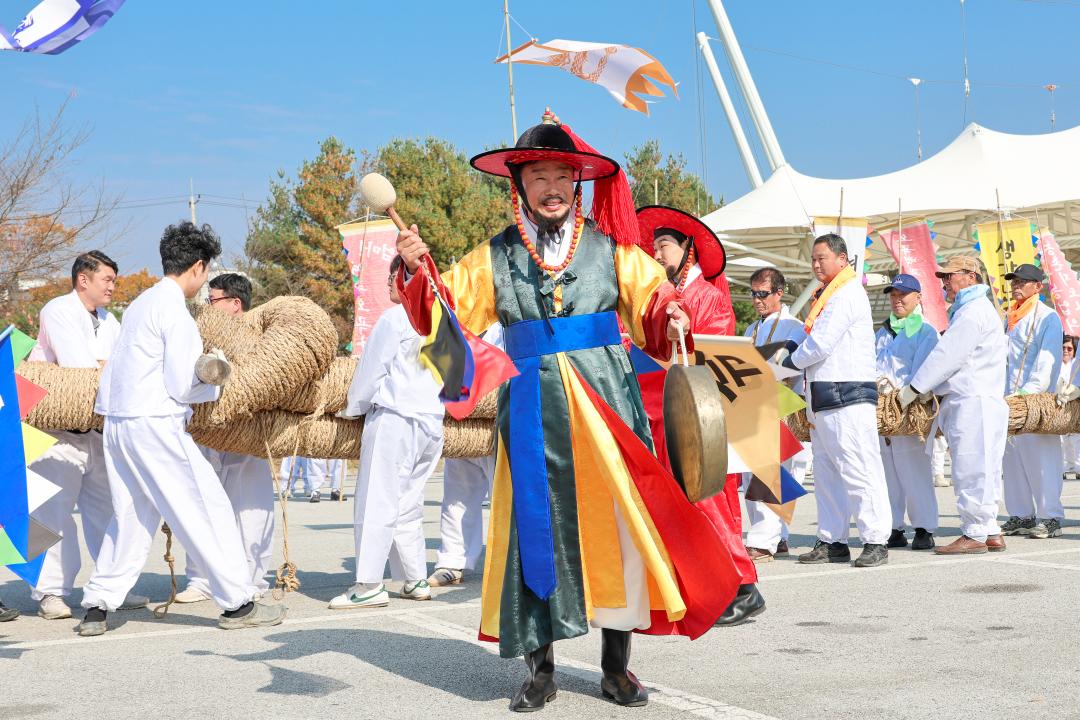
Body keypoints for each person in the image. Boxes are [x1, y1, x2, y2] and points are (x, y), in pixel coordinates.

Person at [395, 110, 739, 711]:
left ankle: (615, 667)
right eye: (539, 178)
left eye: (562, 176)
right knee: (536, 533)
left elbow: (653, 307)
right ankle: (540, 668)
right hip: (530, 408)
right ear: (519, 186)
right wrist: (414, 270)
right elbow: (444, 321)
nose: (551, 188)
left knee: (621, 531)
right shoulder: (491, 258)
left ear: (577, 182)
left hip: (608, 409)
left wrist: (672, 315)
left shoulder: (613, 251)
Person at [76, 222, 285, 636]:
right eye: (206, 272)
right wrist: (217, 374)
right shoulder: (175, 312)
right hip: (156, 424)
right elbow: (182, 384)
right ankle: (238, 603)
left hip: (119, 422)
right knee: (207, 507)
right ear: (198, 266)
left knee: (131, 515)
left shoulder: (139, 304)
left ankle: (97, 606)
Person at [634, 204, 763, 626]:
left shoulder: (707, 295)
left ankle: (743, 587)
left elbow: (715, 351)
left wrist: (683, 328)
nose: (657, 254)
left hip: (704, 414)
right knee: (689, 502)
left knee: (711, 500)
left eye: (665, 246)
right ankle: (709, 584)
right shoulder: (663, 294)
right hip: (672, 412)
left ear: (688, 247)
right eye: (654, 247)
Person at [27, 251, 148, 620]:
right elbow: (79, 369)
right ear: (83, 279)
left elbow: (124, 366)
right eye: (107, 280)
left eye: (113, 280)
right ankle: (49, 592)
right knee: (51, 512)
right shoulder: (58, 309)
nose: (112, 286)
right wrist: (108, 367)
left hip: (97, 428)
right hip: (56, 431)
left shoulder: (110, 319)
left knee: (108, 509)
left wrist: (107, 368)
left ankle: (108, 587)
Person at [331, 256, 445, 609]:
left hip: (396, 417)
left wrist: (350, 409)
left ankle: (367, 584)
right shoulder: (443, 320)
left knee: (376, 499)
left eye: (392, 276)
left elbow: (370, 374)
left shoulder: (395, 318)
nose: (389, 284)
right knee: (408, 502)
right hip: (431, 421)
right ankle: (414, 578)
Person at [781, 234, 892, 568]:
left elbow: (820, 344)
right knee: (827, 472)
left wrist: (785, 363)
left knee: (859, 468)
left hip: (848, 396)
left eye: (823, 258)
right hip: (824, 396)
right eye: (813, 259)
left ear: (843, 259)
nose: (817, 264)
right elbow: (812, 343)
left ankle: (876, 539)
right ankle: (832, 539)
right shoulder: (825, 295)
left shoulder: (846, 293)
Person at [175, 273, 276, 604]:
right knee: (200, 502)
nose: (207, 307)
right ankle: (201, 578)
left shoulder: (264, 338)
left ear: (235, 304)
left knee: (250, 506)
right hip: (207, 432)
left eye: (212, 300)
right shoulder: (200, 335)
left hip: (250, 436)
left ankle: (251, 578)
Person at [902, 255, 1008, 555]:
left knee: (970, 467)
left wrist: (915, 387)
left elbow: (948, 355)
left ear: (971, 276)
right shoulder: (978, 310)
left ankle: (974, 532)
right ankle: (989, 529)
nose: (944, 281)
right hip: (982, 399)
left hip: (972, 400)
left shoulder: (972, 312)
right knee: (985, 468)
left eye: (949, 276)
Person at [428, 324, 503, 588]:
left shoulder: (504, 324)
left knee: (506, 498)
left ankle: (510, 563)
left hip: (500, 423)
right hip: (460, 423)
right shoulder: (451, 322)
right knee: (456, 496)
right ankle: (452, 560)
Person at [742, 266, 807, 563]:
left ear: (780, 293)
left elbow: (793, 367)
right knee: (754, 473)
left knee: (772, 474)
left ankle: (762, 540)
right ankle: (777, 536)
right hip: (754, 405)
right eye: (753, 293)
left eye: (763, 294)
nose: (757, 299)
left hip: (783, 404)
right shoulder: (749, 330)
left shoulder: (795, 326)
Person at [874, 274, 940, 550]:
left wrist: (904, 393)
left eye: (903, 294)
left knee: (914, 469)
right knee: (886, 470)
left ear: (918, 297)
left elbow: (925, 369)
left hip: (910, 408)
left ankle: (924, 526)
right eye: (893, 295)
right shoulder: (882, 331)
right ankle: (893, 526)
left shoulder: (925, 331)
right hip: (882, 408)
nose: (897, 299)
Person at [999, 264, 1064, 539]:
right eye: (1014, 281)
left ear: (1038, 286)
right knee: (1011, 461)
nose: (1016, 285)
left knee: (1042, 461)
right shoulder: (1009, 318)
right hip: (1008, 398)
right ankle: (1022, 514)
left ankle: (1051, 517)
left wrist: (1028, 392)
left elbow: (1047, 362)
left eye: (1023, 281)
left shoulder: (1048, 317)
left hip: (1035, 400)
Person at [1059, 336, 1080, 479]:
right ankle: (1066, 466)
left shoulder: (1074, 364)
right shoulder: (1056, 365)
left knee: (1075, 438)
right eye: (1063, 348)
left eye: (1069, 348)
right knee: (1063, 440)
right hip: (1061, 406)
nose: (1066, 351)